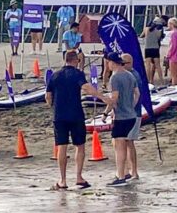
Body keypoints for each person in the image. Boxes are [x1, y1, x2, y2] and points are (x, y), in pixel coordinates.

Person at [46, 50, 99, 190]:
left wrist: (53, 106)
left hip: (59, 115)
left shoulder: (55, 75)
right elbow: (86, 87)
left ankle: (62, 180)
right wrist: (102, 96)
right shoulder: (77, 74)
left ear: (65, 60)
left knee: (61, 146)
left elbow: (48, 96)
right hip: (75, 114)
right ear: (75, 60)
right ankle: (78, 177)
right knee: (79, 145)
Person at [103, 52, 139, 187]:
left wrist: (106, 112)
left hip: (122, 117)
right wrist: (131, 106)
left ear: (112, 62)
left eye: (108, 62)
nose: (108, 65)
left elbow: (115, 98)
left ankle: (121, 175)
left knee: (119, 147)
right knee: (122, 143)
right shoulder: (130, 75)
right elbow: (137, 94)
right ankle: (124, 173)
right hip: (131, 115)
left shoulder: (115, 78)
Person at [120, 53, 142, 180]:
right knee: (126, 142)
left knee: (129, 142)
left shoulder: (132, 76)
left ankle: (134, 171)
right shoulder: (130, 75)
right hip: (130, 113)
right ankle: (128, 170)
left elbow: (135, 96)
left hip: (133, 114)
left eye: (123, 63)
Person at [141, 18, 164, 86]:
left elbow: (141, 36)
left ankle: (148, 81)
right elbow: (159, 39)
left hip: (148, 48)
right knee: (158, 66)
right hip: (155, 49)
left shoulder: (146, 29)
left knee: (148, 66)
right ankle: (161, 81)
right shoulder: (158, 31)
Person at [165, 18, 177, 88]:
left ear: (171, 24)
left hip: (173, 56)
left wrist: (168, 54)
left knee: (173, 75)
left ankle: (174, 87)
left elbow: (173, 46)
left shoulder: (173, 34)